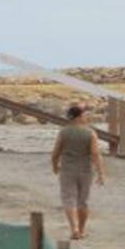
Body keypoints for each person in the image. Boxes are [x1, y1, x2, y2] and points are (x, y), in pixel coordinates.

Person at [51, 103, 105, 240]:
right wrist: (100, 173)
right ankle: (81, 230)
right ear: (80, 116)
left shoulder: (64, 132)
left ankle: (74, 228)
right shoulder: (90, 133)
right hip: (85, 171)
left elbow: (56, 152)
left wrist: (54, 166)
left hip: (68, 170)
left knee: (69, 200)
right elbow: (95, 154)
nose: (86, 117)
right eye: (84, 115)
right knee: (83, 201)